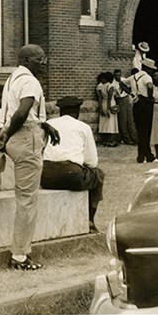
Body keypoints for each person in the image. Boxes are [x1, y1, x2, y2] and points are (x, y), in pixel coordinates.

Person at [0, 44, 60, 271]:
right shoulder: (30, 81)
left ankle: (21, 252)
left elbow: (25, 114)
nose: (45, 62)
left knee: (25, 197)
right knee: (27, 200)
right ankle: (20, 256)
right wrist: (7, 134)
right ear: (28, 60)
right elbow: (22, 112)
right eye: (40, 58)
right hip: (25, 139)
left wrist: (44, 124)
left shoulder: (14, 78)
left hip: (19, 138)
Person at [40, 96, 105, 233]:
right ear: (78, 111)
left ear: (60, 111)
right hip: (70, 174)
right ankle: (90, 220)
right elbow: (92, 161)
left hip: (45, 175)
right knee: (98, 174)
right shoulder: (83, 127)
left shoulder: (48, 124)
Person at [132, 58, 156, 163]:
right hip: (145, 103)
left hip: (136, 103)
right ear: (147, 68)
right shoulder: (147, 77)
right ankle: (143, 155)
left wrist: (132, 93)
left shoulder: (134, 76)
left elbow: (123, 84)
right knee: (146, 129)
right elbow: (150, 86)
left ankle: (145, 154)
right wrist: (150, 98)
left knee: (140, 129)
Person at [112, 69, 137, 145]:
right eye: (116, 76)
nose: (118, 77)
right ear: (114, 76)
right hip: (119, 99)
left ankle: (134, 138)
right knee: (123, 120)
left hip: (126, 98)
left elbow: (130, 88)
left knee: (130, 119)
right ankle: (126, 138)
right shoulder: (113, 83)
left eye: (119, 75)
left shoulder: (124, 80)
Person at [96, 72, 119, 147]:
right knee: (111, 122)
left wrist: (102, 108)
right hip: (110, 103)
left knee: (105, 121)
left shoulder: (102, 86)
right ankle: (110, 140)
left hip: (103, 103)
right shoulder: (110, 86)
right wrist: (109, 108)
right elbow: (110, 98)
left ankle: (105, 140)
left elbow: (101, 97)